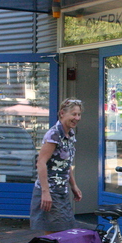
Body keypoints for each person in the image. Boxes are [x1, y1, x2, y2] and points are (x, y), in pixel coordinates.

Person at [30, 98, 83, 235]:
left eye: (78, 114)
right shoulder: (54, 134)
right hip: (51, 191)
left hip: (61, 192)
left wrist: (74, 186)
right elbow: (41, 163)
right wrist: (45, 192)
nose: (76, 118)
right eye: (73, 114)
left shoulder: (70, 134)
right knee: (54, 234)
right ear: (61, 114)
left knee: (64, 231)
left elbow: (65, 164)